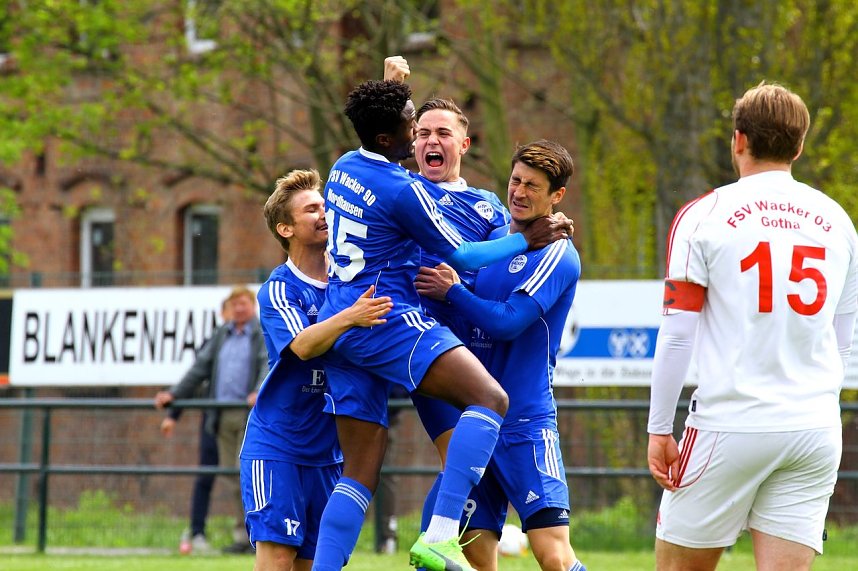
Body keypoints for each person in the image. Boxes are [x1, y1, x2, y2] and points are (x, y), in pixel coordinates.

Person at [310, 79, 568, 571]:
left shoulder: (347, 164)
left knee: (360, 475)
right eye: (418, 126)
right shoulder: (409, 192)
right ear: (400, 137)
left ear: (463, 144)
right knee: (487, 407)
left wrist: (393, 83)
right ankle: (440, 536)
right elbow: (467, 253)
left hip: (345, 322)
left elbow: (493, 259)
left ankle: (425, 543)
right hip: (394, 326)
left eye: (441, 131)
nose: (426, 137)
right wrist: (530, 238)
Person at [646, 82, 857, 571]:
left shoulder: (704, 216)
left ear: (738, 140)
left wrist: (659, 428)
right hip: (814, 428)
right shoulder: (838, 221)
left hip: (730, 422)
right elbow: (842, 343)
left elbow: (679, 334)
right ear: (799, 146)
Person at [416, 139, 587, 571]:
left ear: (556, 197)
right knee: (467, 554)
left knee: (552, 554)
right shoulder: (493, 241)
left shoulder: (557, 253)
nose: (520, 192)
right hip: (477, 424)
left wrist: (454, 291)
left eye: (533, 185)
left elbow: (508, 321)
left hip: (525, 424)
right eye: (515, 180)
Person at [240, 169, 392, 571]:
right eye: (311, 209)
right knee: (277, 561)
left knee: (317, 565)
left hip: (329, 453)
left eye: (324, 205)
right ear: (285, 228)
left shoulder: (351, 278)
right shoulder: (280, 288)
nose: (323, 213)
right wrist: (351, 316)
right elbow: (304, 345)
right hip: (278, 447)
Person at [154, 285, 269, 554]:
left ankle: (260, 538)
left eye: (244, 303)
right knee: (233, 477)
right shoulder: (221, 335)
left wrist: (259, 389)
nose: (240, 308)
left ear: (252, 306)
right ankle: (243, 537)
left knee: (251, 475)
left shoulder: (260, 333)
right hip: (221, 415)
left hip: (248, 415)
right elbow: (199, 369)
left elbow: (267, 363)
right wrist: (173, 394)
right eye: (235, 304)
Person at [160, 297, 231, 555]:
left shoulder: (256, 337)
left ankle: (246, 535)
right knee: (205, 475)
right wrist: (173, 413)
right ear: (223, 314)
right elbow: (195, 377)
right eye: (230, 309)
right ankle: (197, 531)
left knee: (241, 477)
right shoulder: (215, 342)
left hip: (241, 420)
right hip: (213, 419)